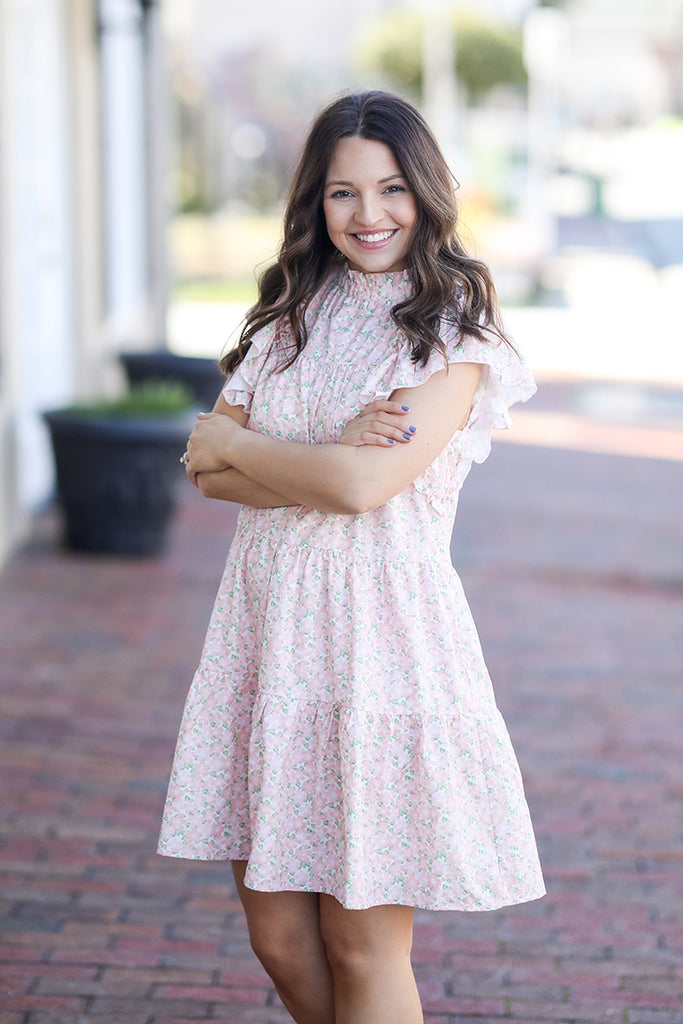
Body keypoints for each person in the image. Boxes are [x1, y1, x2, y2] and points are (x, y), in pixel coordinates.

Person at [158, 90, 545, 1024]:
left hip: (380, 643)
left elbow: (360, 488)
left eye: (389, 189)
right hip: (267, 635)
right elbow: (206, 473)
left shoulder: (454, 332)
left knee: (359, 941)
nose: (368, 215)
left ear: (426, 192)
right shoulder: (292, 313)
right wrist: (323, 446)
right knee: (279, 938)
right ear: (313, 202)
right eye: (341, 193)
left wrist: (250, 447)